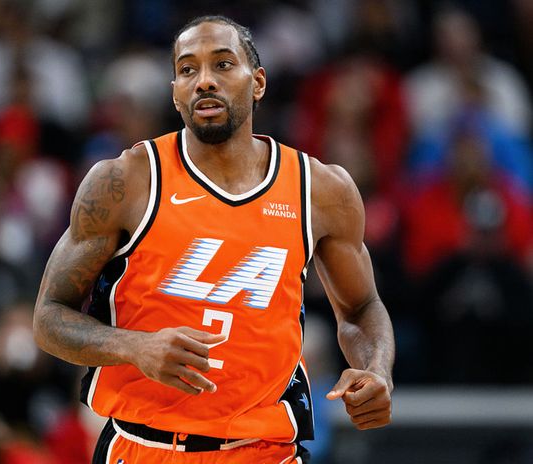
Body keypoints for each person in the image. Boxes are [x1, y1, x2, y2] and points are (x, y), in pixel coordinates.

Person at [33, 15, 395, 464]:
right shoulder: (125, 182)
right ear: (175, 93)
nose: (204, 80)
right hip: (145, 447)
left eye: (222, 64)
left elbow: (361, 308)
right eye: (188, 69)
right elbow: (48, 317)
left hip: (265, 452)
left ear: (258, 83)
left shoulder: (320, 190)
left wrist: (376, 370)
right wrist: (134, 347)